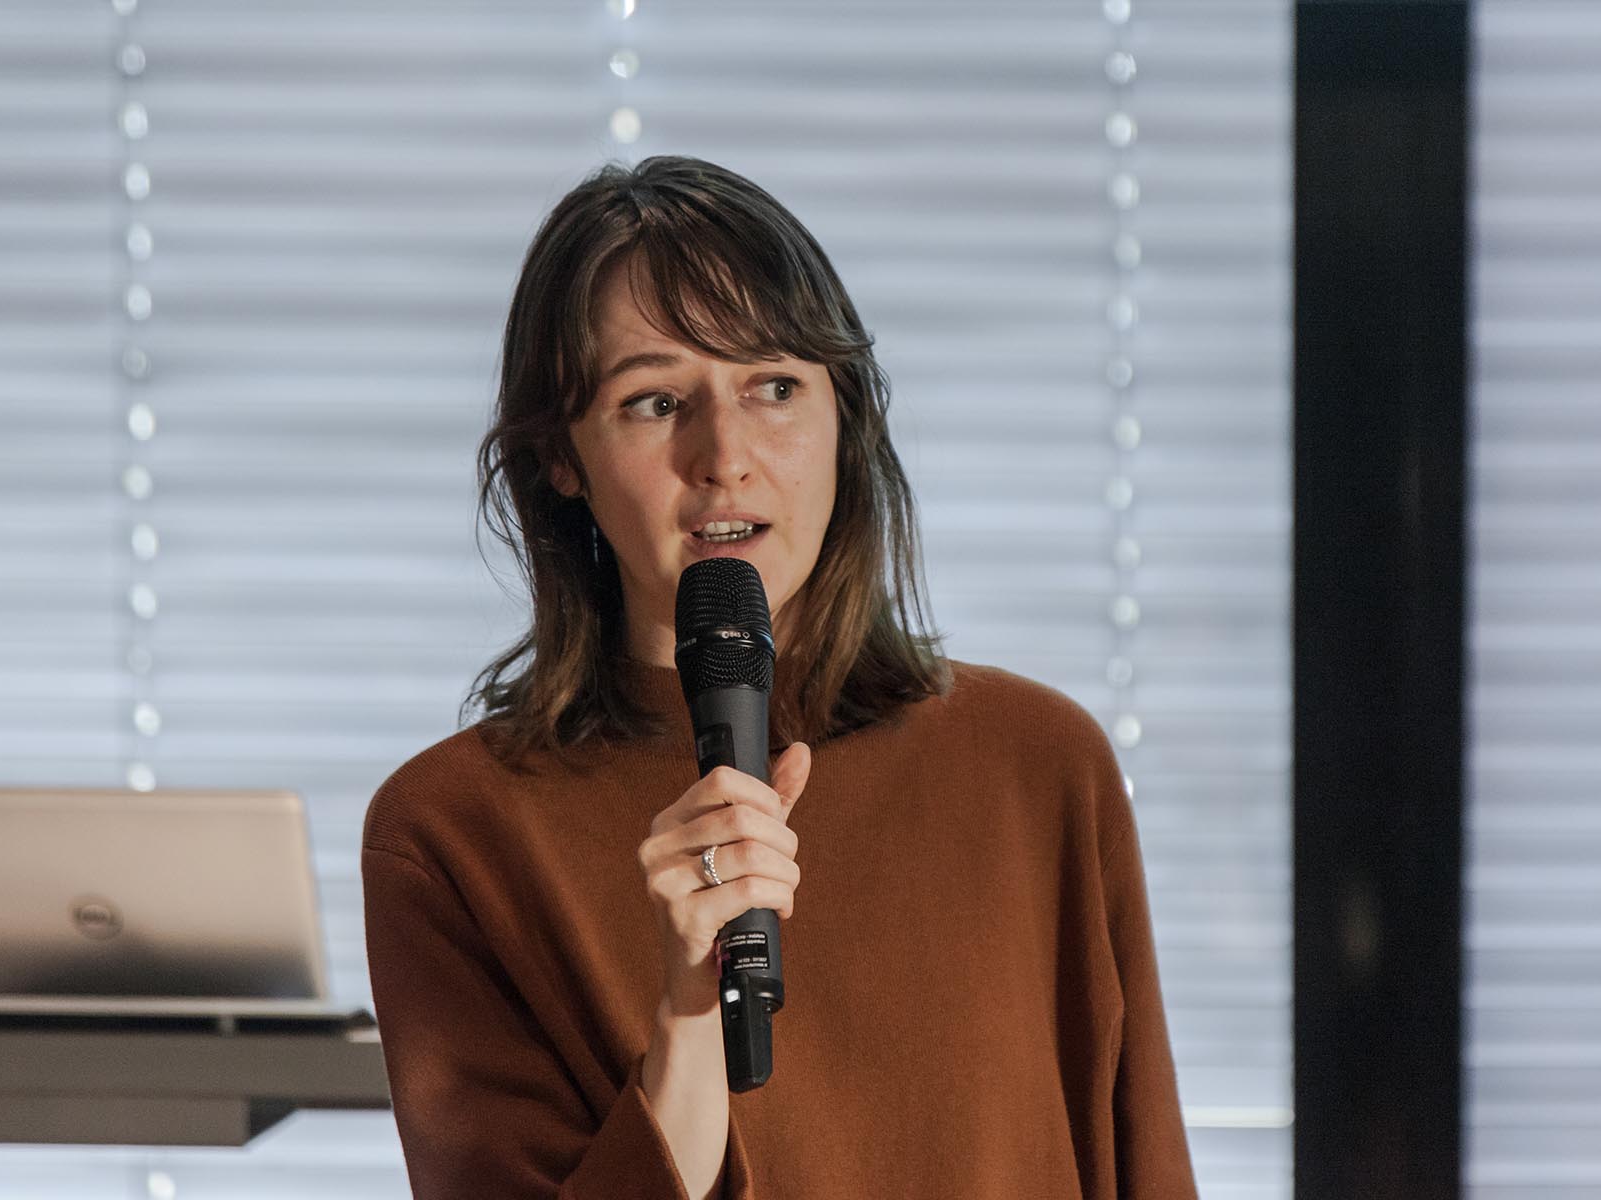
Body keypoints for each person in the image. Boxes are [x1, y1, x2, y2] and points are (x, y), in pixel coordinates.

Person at [362, 154, 1197, 1200]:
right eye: (655, 401)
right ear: (559, 460)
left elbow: (1146, 1169)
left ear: (844, 417)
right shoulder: (451, 832)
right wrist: (685, 1013)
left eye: (774, 386)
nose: (726, 454)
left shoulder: (1036, 764)